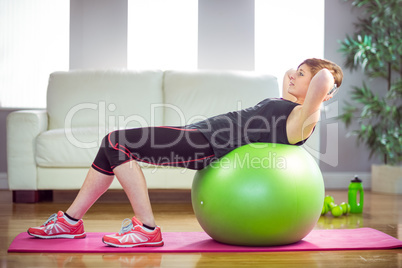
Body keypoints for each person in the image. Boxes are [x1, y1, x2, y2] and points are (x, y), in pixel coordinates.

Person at [27, 58, 343, 247]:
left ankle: (147, 228)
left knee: (115, 141)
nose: (291, 75)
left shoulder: (303, 118)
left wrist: (325, 81)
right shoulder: (290, 106)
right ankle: (71, 221)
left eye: (302, 74)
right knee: (108, 149)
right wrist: (298, 74)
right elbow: (295, 75)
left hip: (205, 143)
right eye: (296, 71)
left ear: (321, 92)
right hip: (199, 134)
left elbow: (325, 79)